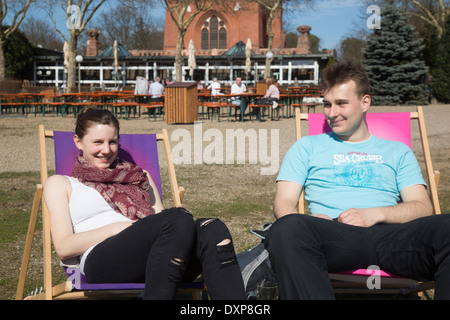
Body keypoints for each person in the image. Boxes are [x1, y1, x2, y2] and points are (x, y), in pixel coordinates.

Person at [265, 61, 450, 300]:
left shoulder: (397, 151)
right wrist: (304, 220)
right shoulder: (306, 147)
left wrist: (374, 214)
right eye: (327, 105)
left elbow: (423, 208)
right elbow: (283, 202)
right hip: (333, 234)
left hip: (392, 236)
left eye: (341, 103)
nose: (332, 113)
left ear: (365, 102)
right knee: (287, 228)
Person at [43, 107, 246, 300]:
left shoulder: (139, 177)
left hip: (157, 258)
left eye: (112, 142)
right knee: (178, 218)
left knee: (213, 230)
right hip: (102, 260)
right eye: (98, 142)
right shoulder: (61, 183)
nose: (106, 150)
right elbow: (64, 247)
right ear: (78, 142)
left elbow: (171, 229)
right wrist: (116, 229)